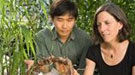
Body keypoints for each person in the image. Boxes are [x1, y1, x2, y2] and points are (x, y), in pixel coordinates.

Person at [25, 0, 91, 74]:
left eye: (69, 20)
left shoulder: (85, 39)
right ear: (52, 19)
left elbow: (85, 70)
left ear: (75, 20)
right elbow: (41, 69)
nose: (64, 26)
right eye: (60, 20)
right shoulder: (41, 37)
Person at [84, 2, 135, 75]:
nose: (102, 29)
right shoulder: (93, 51)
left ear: (120, 24)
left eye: (107, 23)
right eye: (99, 25)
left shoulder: (133, 51)